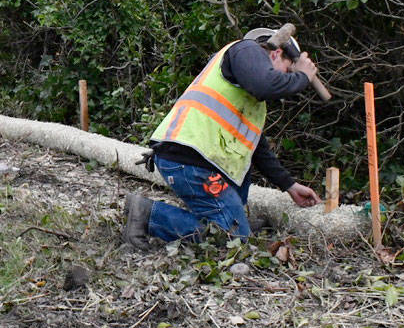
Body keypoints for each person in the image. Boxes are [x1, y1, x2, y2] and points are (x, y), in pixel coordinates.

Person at [124, 27, 321, 247]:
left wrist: (289, 185)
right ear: (275, 54)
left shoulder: (250, 98)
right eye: (286, 71)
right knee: (234, 240)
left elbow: (257, 147)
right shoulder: (247, 50)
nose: (284, 79)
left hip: (199, 161)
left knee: (235, 228)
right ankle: (148, 214)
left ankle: (233, 221)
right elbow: (266, 84)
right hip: (191, 160)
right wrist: (302, 75)